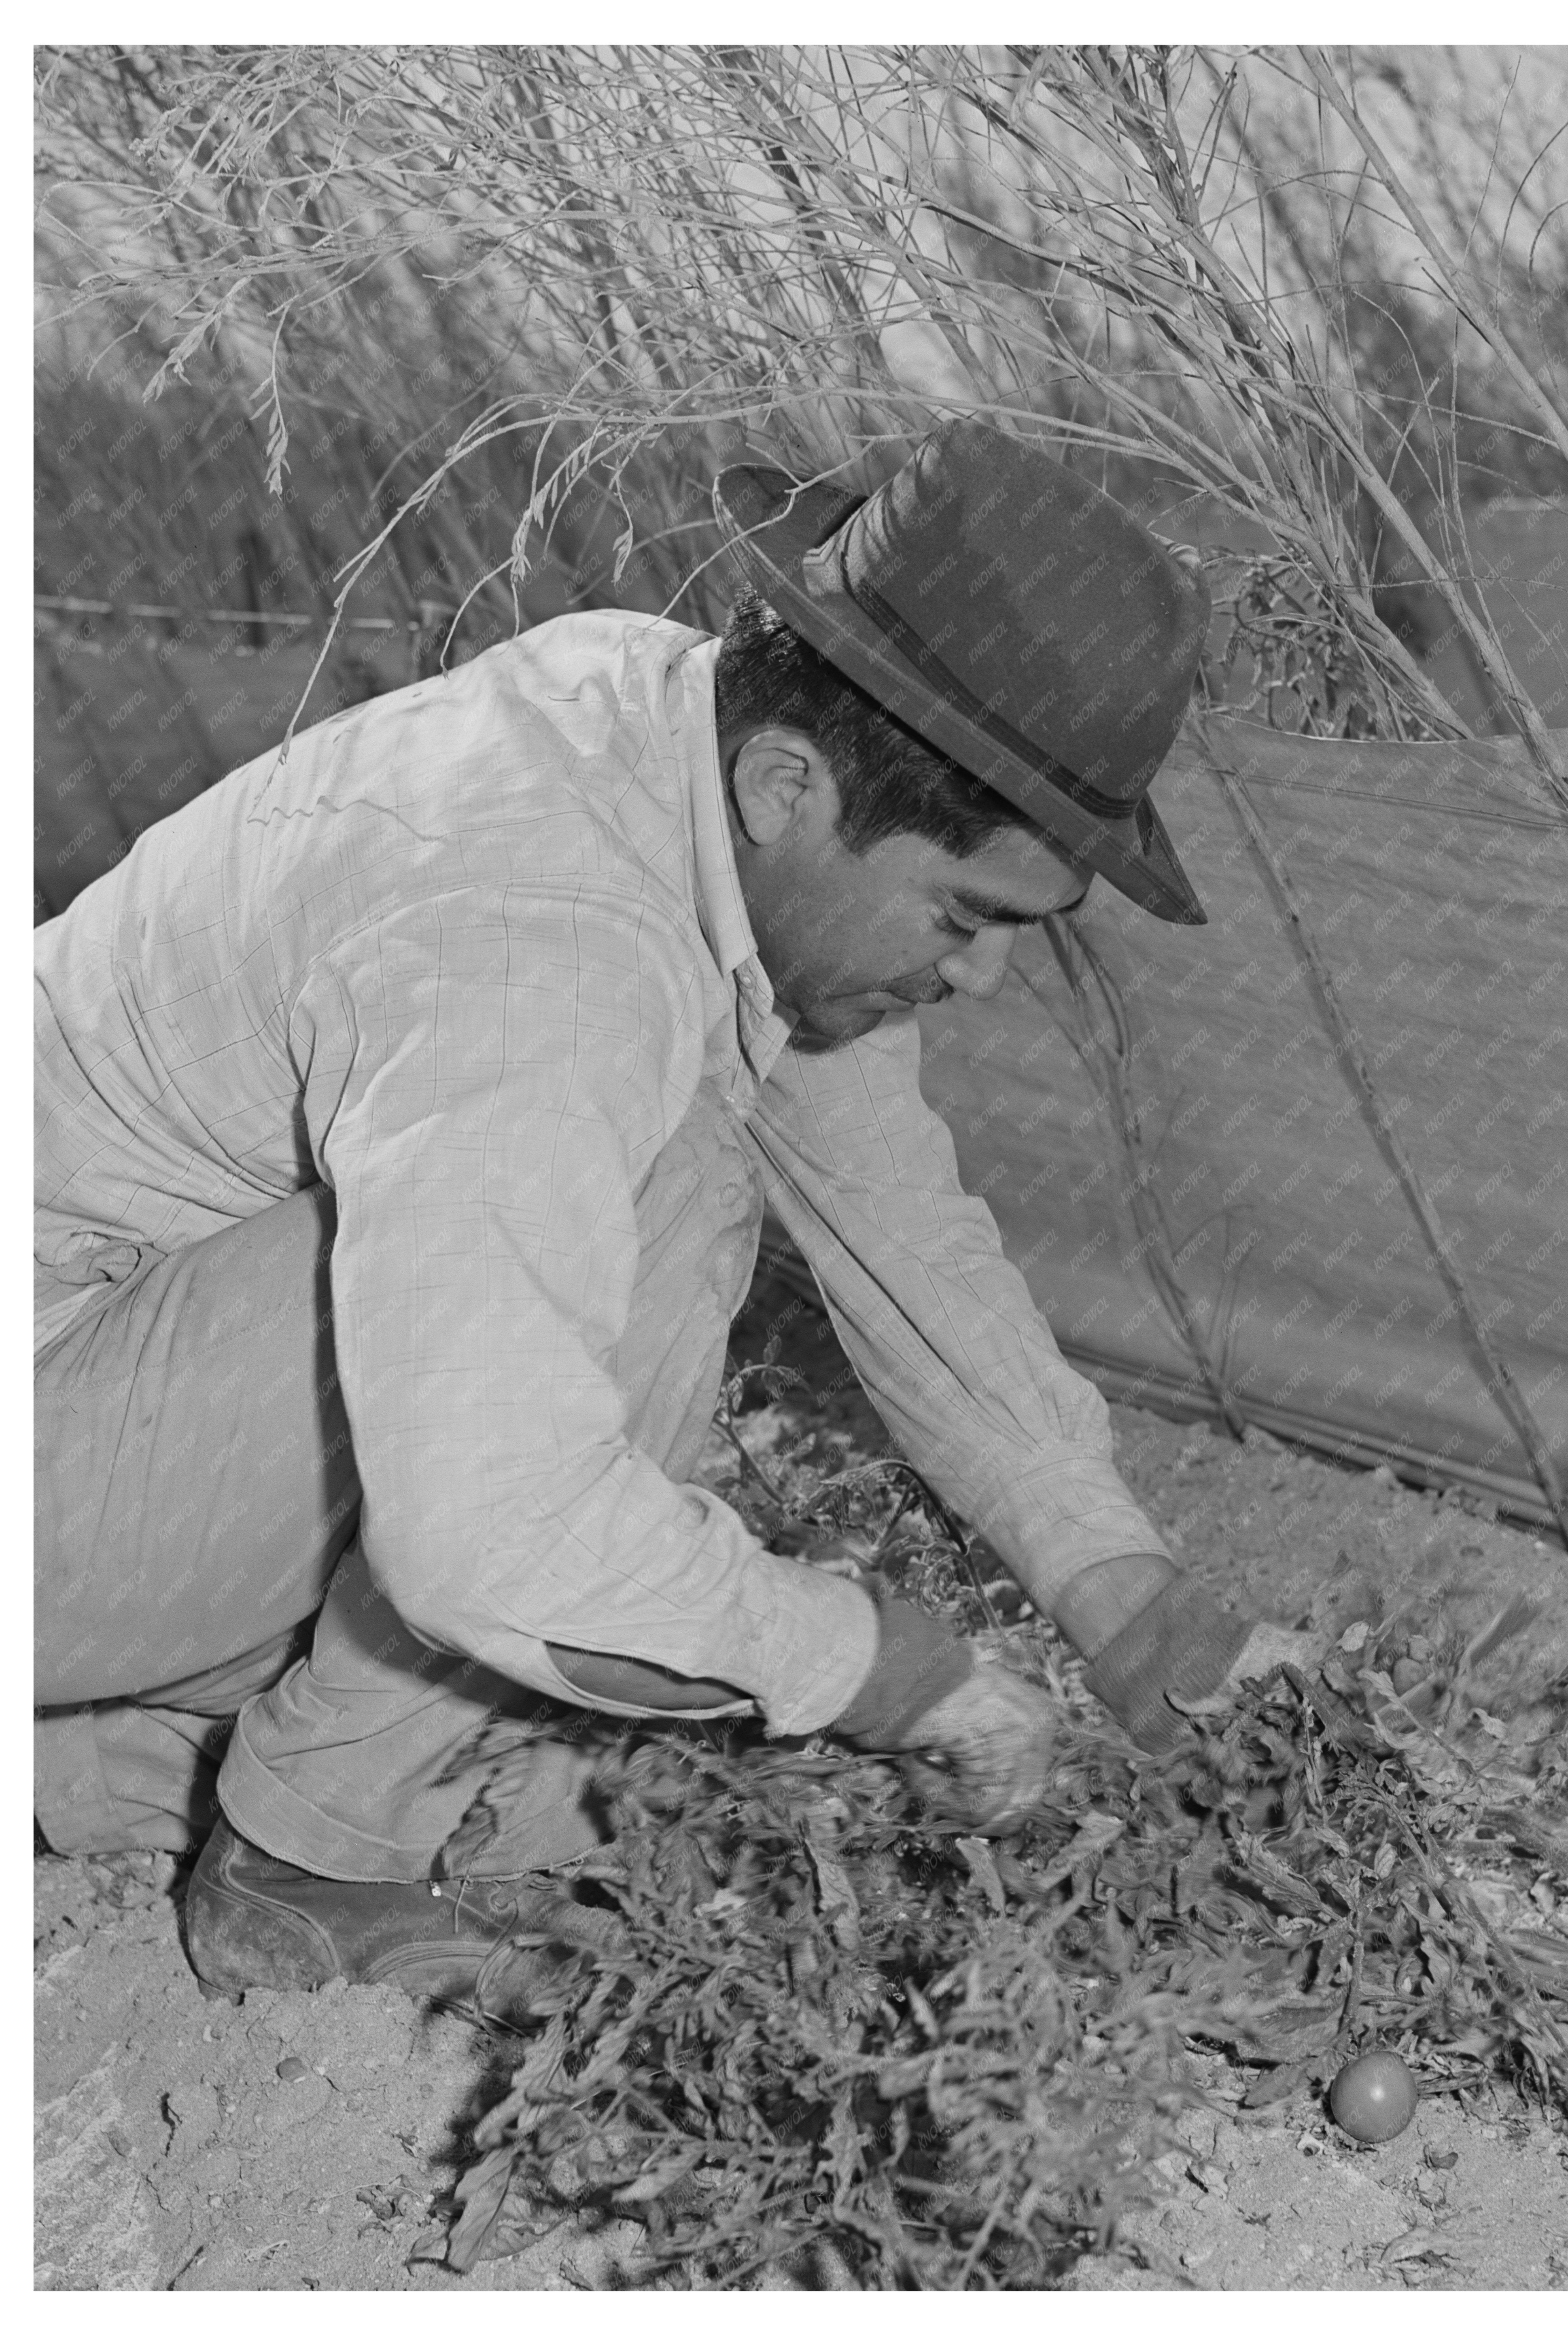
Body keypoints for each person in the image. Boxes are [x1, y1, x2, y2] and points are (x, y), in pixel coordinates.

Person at [35, 418, 1295, 2021]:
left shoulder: (672, 734)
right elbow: (497, 1524)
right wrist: (892, 1671)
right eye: (967, 918)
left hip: (98, 1405)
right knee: (659, 1224)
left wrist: (1128, 1592)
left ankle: (104, 1748)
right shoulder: (542, 940)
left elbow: (895, 1217)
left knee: (578, 1717)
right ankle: (309, 1865)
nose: (978, 977)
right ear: (794, 784)